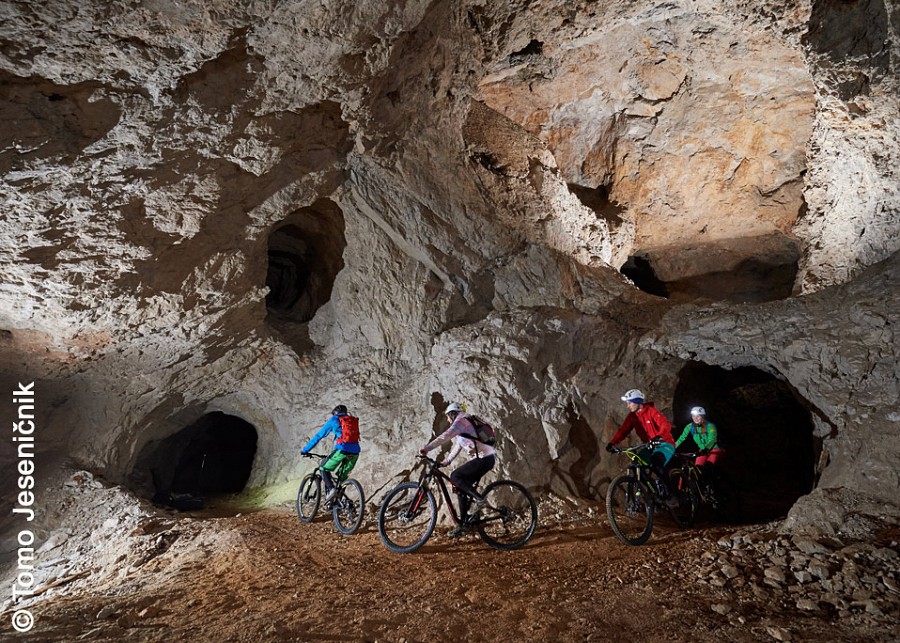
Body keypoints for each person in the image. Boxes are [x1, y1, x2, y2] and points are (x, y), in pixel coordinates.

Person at [420, 402, 495, 537]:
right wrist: (446, 461)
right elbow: (458, 446)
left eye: (448, 417)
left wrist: (426, 449)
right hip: (484, 458)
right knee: (460, 487)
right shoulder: (465, 424)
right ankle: (464, 524)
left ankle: (480, 500)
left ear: (452, 413)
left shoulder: (460, 421)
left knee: (455, 476)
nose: (448, 421)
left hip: (484, 458)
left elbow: (445, 437)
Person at [605, 388, 678, 506]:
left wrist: (659, 437)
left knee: (657, 463)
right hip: (650, 446)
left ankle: (670, 494)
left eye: (630, 402)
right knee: (636, 464)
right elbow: (623, 431)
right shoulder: (632, 417)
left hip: (665, 443)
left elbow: (665, 425)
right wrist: (612, 443)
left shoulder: (651, 411)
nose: (628, 405)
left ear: (638, 402)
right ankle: (653, 490)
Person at [300, 404, 361, 503]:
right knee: (342, 477)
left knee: (323, 468)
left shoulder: (334, 419)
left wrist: (305, 450)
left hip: (341, 449)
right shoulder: (351, 420)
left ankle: (332, 490)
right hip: (355, 452)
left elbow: (318, 436)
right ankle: (338, 502)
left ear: (335, 413)